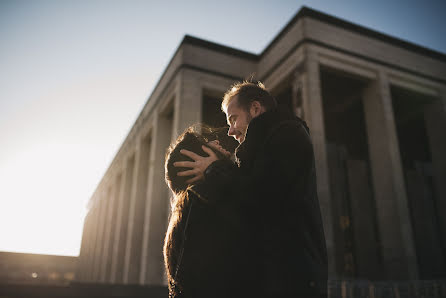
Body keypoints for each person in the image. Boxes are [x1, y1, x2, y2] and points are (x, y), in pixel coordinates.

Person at [175, 81, 328, 297]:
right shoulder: (262, 146)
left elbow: (262, 198)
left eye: (233, 118)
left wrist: (214, 171)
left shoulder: (288, 135)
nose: (230, 130)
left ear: (255, 109)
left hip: (291, 282)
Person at [164, 125, 257, 298]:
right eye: (206, 142)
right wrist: (217, 169)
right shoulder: (208, 202)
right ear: (196, 158)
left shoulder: (186, 211)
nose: (215, 140)